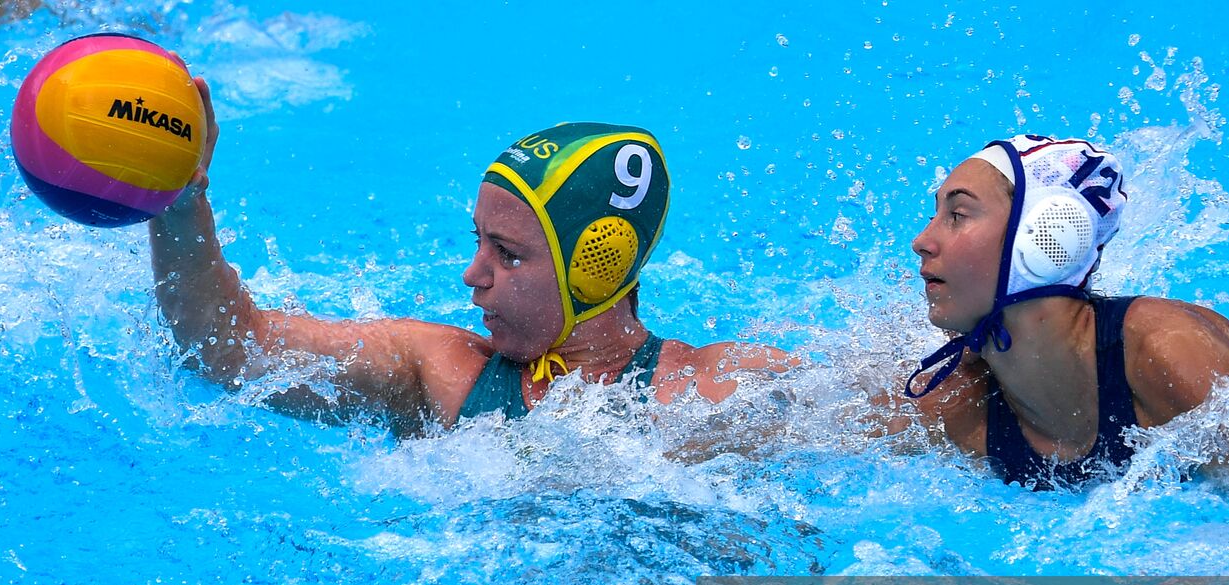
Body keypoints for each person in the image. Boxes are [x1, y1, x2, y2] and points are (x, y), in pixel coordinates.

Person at [150, 79, 792, 437]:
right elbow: (228, 349)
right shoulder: (441, 371)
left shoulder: (712, 391)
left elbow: (888, 419)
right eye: (477, 240)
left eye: (507, 254)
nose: (472, 275)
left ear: (593, 267)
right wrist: (179, 205)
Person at [894, 134, 1229, 495]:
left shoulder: (1171, 353)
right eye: (934, 217)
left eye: (958, 215)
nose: (922, 242)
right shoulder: (954, 402)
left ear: (1048, 237)